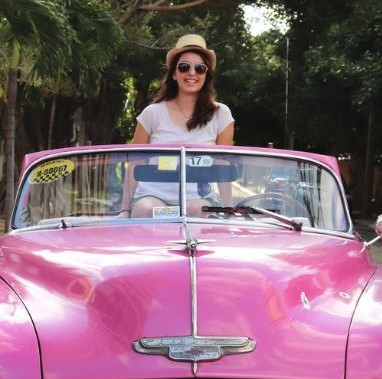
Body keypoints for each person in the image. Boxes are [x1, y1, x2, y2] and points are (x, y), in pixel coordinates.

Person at [120, 34, 234, 217]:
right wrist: (124, 210)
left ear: (206, 75)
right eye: (184, 67)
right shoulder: (152, 113)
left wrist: (229, 210)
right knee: (147, 210)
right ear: (173, 74)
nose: (192, 73)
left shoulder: (221, 114)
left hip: (198, 198)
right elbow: (135, 163)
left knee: (198, 211)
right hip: (153, 195)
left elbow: (222, 167)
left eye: (199, 68)